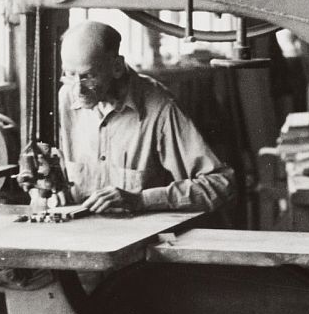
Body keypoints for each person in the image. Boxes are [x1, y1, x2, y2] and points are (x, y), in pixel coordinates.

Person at [55, 20, 233, 214]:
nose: (77, 89)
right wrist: (52, 188)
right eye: (69, 74)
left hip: (141, 239)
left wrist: (141, 200)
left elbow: (220, 184)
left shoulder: (160, 109)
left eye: (88, 76)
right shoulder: (67, 97)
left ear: (117, 67)